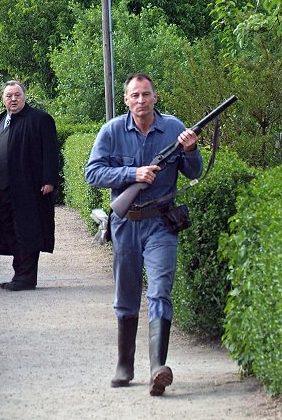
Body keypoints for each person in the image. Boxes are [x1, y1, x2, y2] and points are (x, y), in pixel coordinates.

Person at [85, 73, 203, 396]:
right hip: (126, 224)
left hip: (161, 223)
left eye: (146, 94)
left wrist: (191, 151)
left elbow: (195, 172)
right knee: (126, 294)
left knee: (160, 291)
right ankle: (125, 364)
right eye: (134, 95)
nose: (141, 100)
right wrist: (132, 174)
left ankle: (157, 368)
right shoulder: (111, 132)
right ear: (126, 100)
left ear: (155, 97)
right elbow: (92, 173)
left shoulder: (175, 129)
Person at [0, 80, 58, 291]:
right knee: (11, 232)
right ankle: (19, 274)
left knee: (27, 232)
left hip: (28, 189)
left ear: (24, 96)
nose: (13, 99)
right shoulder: (2, 119)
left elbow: (50, 151)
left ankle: (26, 278)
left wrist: (49, 179)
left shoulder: (40, 119)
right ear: (3, 99)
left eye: (17, 95)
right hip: (0, 189)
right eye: (9, 96)